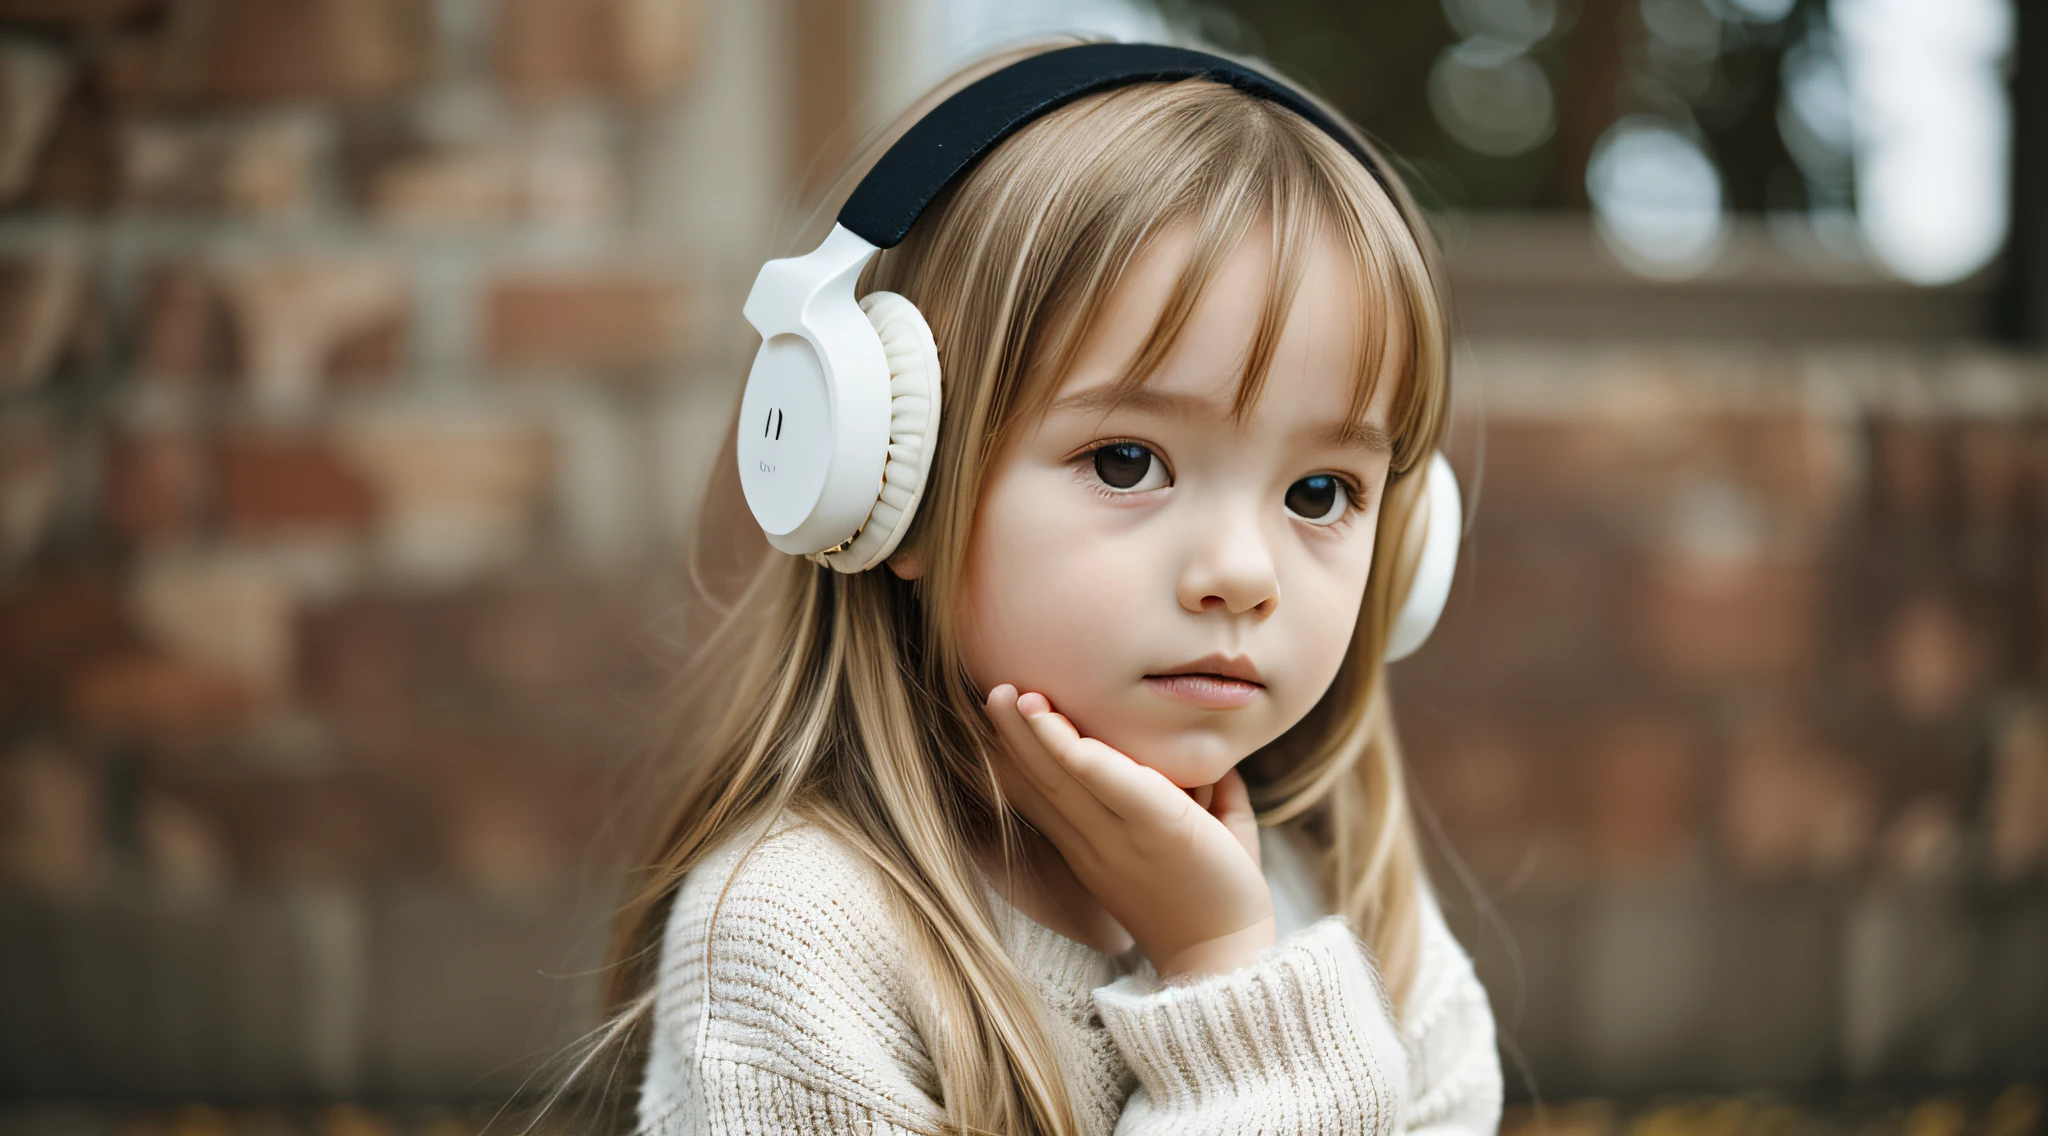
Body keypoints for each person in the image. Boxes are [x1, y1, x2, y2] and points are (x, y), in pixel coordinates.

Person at [593, 38, 1504, 1136]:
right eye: (1127, 461)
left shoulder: (1371, 928)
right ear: (888, 475)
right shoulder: (797, 936)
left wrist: (1230, 949)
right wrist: (1223, 976)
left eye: (1318, 491)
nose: (1241, 574)